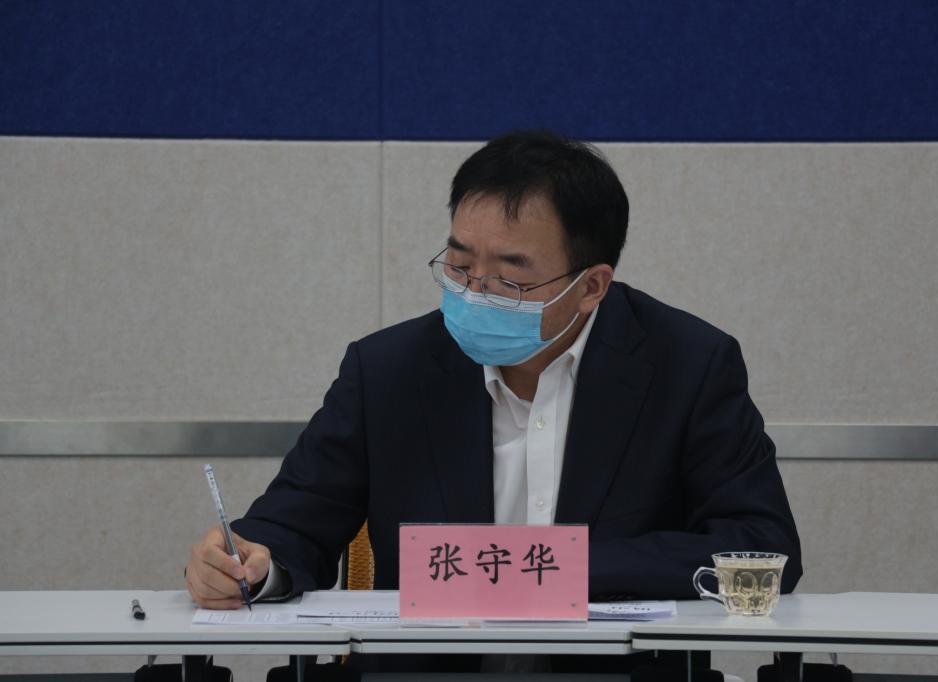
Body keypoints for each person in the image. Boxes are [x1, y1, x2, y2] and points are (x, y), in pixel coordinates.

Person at [185, 129, 802, 673]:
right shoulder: (389, 371)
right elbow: (291, 524)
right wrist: (248, 565)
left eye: (509, 276)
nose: (476, 293)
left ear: (592, 286)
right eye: (459, 265)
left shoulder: (687, 366)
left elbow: (763, 547)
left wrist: (555, 569)